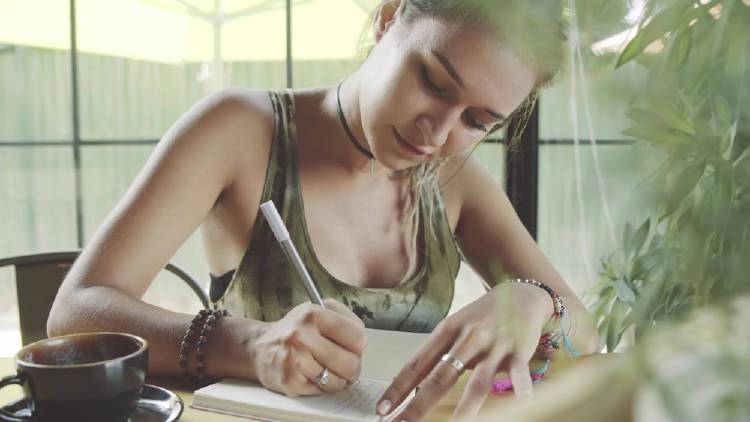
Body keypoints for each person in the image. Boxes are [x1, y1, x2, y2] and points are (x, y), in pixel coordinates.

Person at [48, 0, 599, 420]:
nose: (436, 133)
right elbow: (76, 310)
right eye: (432, 81)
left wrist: (534, 299)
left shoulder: (455, 182)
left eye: (477, 122)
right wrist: (254, 344)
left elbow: (588, 330)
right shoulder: (239, 130)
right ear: (388, 19)